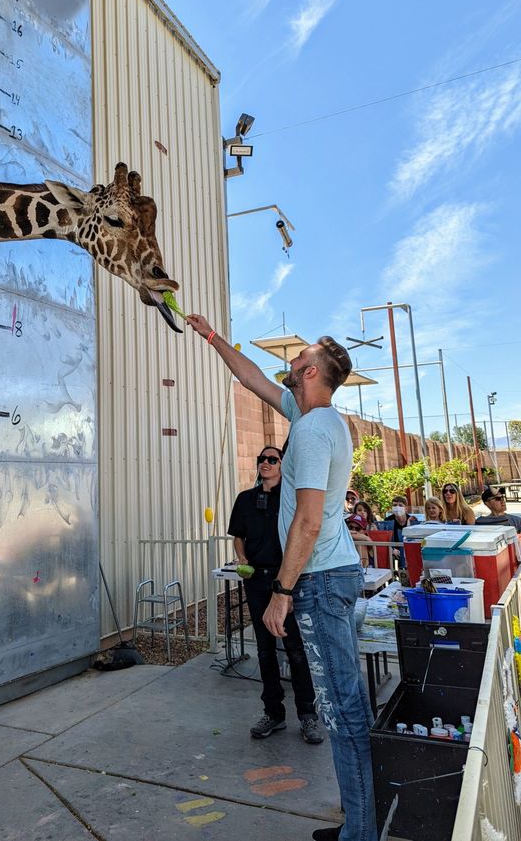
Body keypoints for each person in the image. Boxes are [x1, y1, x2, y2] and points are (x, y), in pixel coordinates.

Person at [186, 314, 376, 841]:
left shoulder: (314, 428)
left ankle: (361, 833)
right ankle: (357, 824)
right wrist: (211, 337)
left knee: (342, 710)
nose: (290, 362)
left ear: (312, 371)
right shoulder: (310, 416)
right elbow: (252, 380)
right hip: (325, 575)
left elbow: (308, 520)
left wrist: (283, 592)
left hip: (317, 578)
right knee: (344, 704)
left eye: (300, 358)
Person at [228, 446, 324, 744]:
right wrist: (243, 561)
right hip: (257, 581)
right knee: (265, 650)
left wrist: (290, 583)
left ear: (282, 465)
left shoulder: (292, 498)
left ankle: (308, 714)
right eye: (262, 459)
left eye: (273, 459)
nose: (266, 463)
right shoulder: (245, 499)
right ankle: (273, 712)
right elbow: (238, 537)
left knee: (295, 648)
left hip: (286, 581)